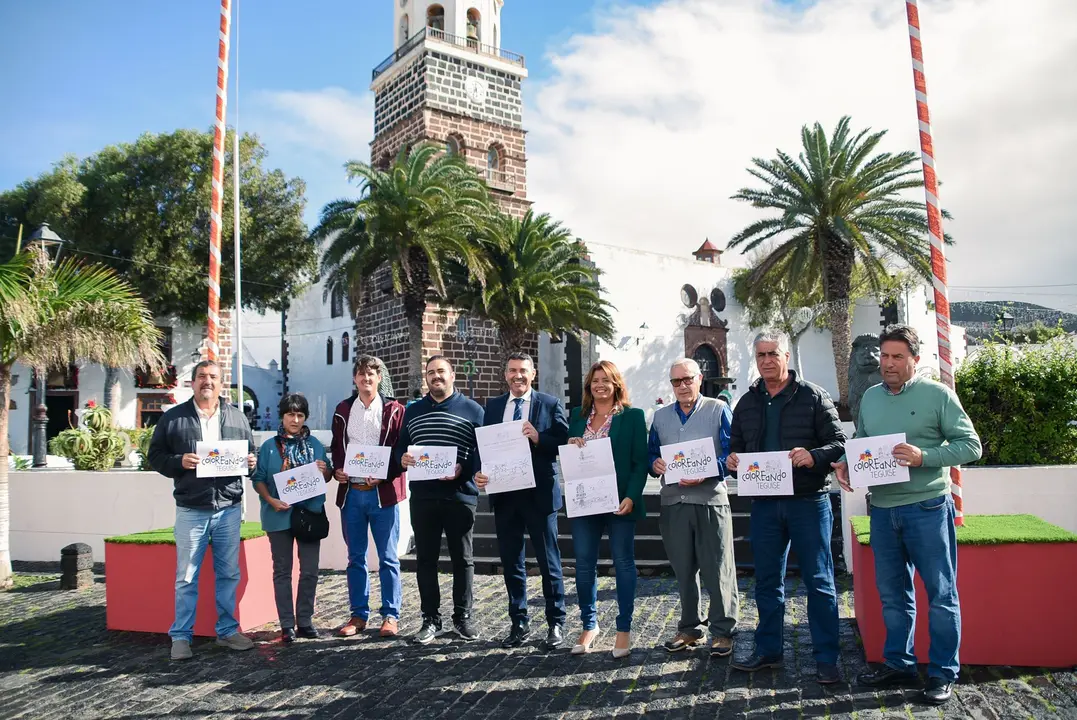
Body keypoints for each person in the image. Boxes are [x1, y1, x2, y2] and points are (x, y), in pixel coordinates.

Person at [833, 325, 981, 706]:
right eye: (884, 356)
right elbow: (863, 442)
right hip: (882, 511)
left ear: (915, 359)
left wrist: (924, 456)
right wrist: (847, 463)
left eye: (897, 357)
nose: (888, 364)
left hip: (927, 508)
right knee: (893, 596)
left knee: (941, 594)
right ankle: (898, 662)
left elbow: (971, 446)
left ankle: (943, 673)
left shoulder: (937, 395)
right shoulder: (869, 397)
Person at [727, 331, 846, 685]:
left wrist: (813, 456)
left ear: (786, 356)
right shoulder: (746, 403)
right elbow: (733, 448)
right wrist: (731, 460)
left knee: (820, 581)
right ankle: (768, 651)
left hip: (808, 503)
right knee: (766, 581)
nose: (766, 360)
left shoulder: (813, 396)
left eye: (773, 354)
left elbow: (838, 443)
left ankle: (827, 658)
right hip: (764, 505)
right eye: (761, 354)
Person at [148, 360, 257, 661]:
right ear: (192, 383)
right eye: (201, 377)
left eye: (213, 377)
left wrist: (251, 463)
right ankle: (181, 637)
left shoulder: (237, 417)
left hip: (229, 508)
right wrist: (177, 462)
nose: (207, 382)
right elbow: (155, 456)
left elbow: (250, 455)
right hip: (191, 509)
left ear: (222, 384)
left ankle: (228, 631)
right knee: (186, 576)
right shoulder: (173, 418)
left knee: (228, 573)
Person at [475, 352, 569, 650]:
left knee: (548, 561)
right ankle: (519, 622)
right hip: (504, 496)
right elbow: (482, 444)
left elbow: (564, 442)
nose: (518, 376)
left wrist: (539, 438)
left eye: (523, 371)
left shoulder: (550, 404)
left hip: (539, 496)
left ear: (533, 373)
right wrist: (479, 471)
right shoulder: (492, 406)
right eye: (513, 370)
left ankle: (556, 622)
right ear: (506, 375)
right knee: (512, 563)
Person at [647, 358, 739, 658]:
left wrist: (708, 470)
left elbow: (731, 454)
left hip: (710, 500)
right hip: (674, 502)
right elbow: (651, 455)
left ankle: (723, 631)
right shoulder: (660, 417)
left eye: (688, 379)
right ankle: (690, 628)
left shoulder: (717, 409)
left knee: (717, 569)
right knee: (683, 570)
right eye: (676, 381)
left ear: (700, 379)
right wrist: (655, 464)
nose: (683, 386)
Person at [392, 356, 484, 644]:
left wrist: (463, 468)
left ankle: (462, 618)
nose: (436, 377)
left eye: (441, 371)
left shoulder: (473, 410)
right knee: (426, 560)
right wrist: (403, 459)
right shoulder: (413, 411)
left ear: (452, 375)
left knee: (463, 559)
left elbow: (483, 452)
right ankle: (430, 619)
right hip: (423, 497)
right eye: (430, 373)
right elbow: (398, 449)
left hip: (460, 496)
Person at [566, 360, 648, 659]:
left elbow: (641, 463)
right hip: (585, 502)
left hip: (619, 503)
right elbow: (570, 457)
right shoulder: (577, 416)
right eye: (595, 380)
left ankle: (623, 628)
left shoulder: (633, 417)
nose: (600, 385)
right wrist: (572, 443)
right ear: (589, 386)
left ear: (616, 384)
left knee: (623, 563)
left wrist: (632, 496)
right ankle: (589, 625)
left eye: (606, 380)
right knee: (584, 565)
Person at [331, 355, 407, 638]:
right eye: (361, 375)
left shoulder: (395, 410)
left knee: (388, 558)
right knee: (355, 558)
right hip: (352, 495)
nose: (366, 379)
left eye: (371, 375)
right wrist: (339, 469)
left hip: (382, 495)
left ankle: (390, 615)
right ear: (355, 379)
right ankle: (358, 615)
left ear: (378, 378)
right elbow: (338, 448)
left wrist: (386, 473)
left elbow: (401, 451)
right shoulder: (342, 409)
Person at [250, 393, 333, 643]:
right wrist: (271, 500)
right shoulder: (268, 446)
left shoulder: (315, 445)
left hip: (309, 514)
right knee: (282, 571)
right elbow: (258, 479)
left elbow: (327, 476)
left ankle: (305, 620)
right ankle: (287, 624)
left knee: (309, 570)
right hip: (279, 515)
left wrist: (325, 470)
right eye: (290, 414)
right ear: (282, 416)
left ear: (305, 417)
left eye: (299, 415)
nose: (295, 420)